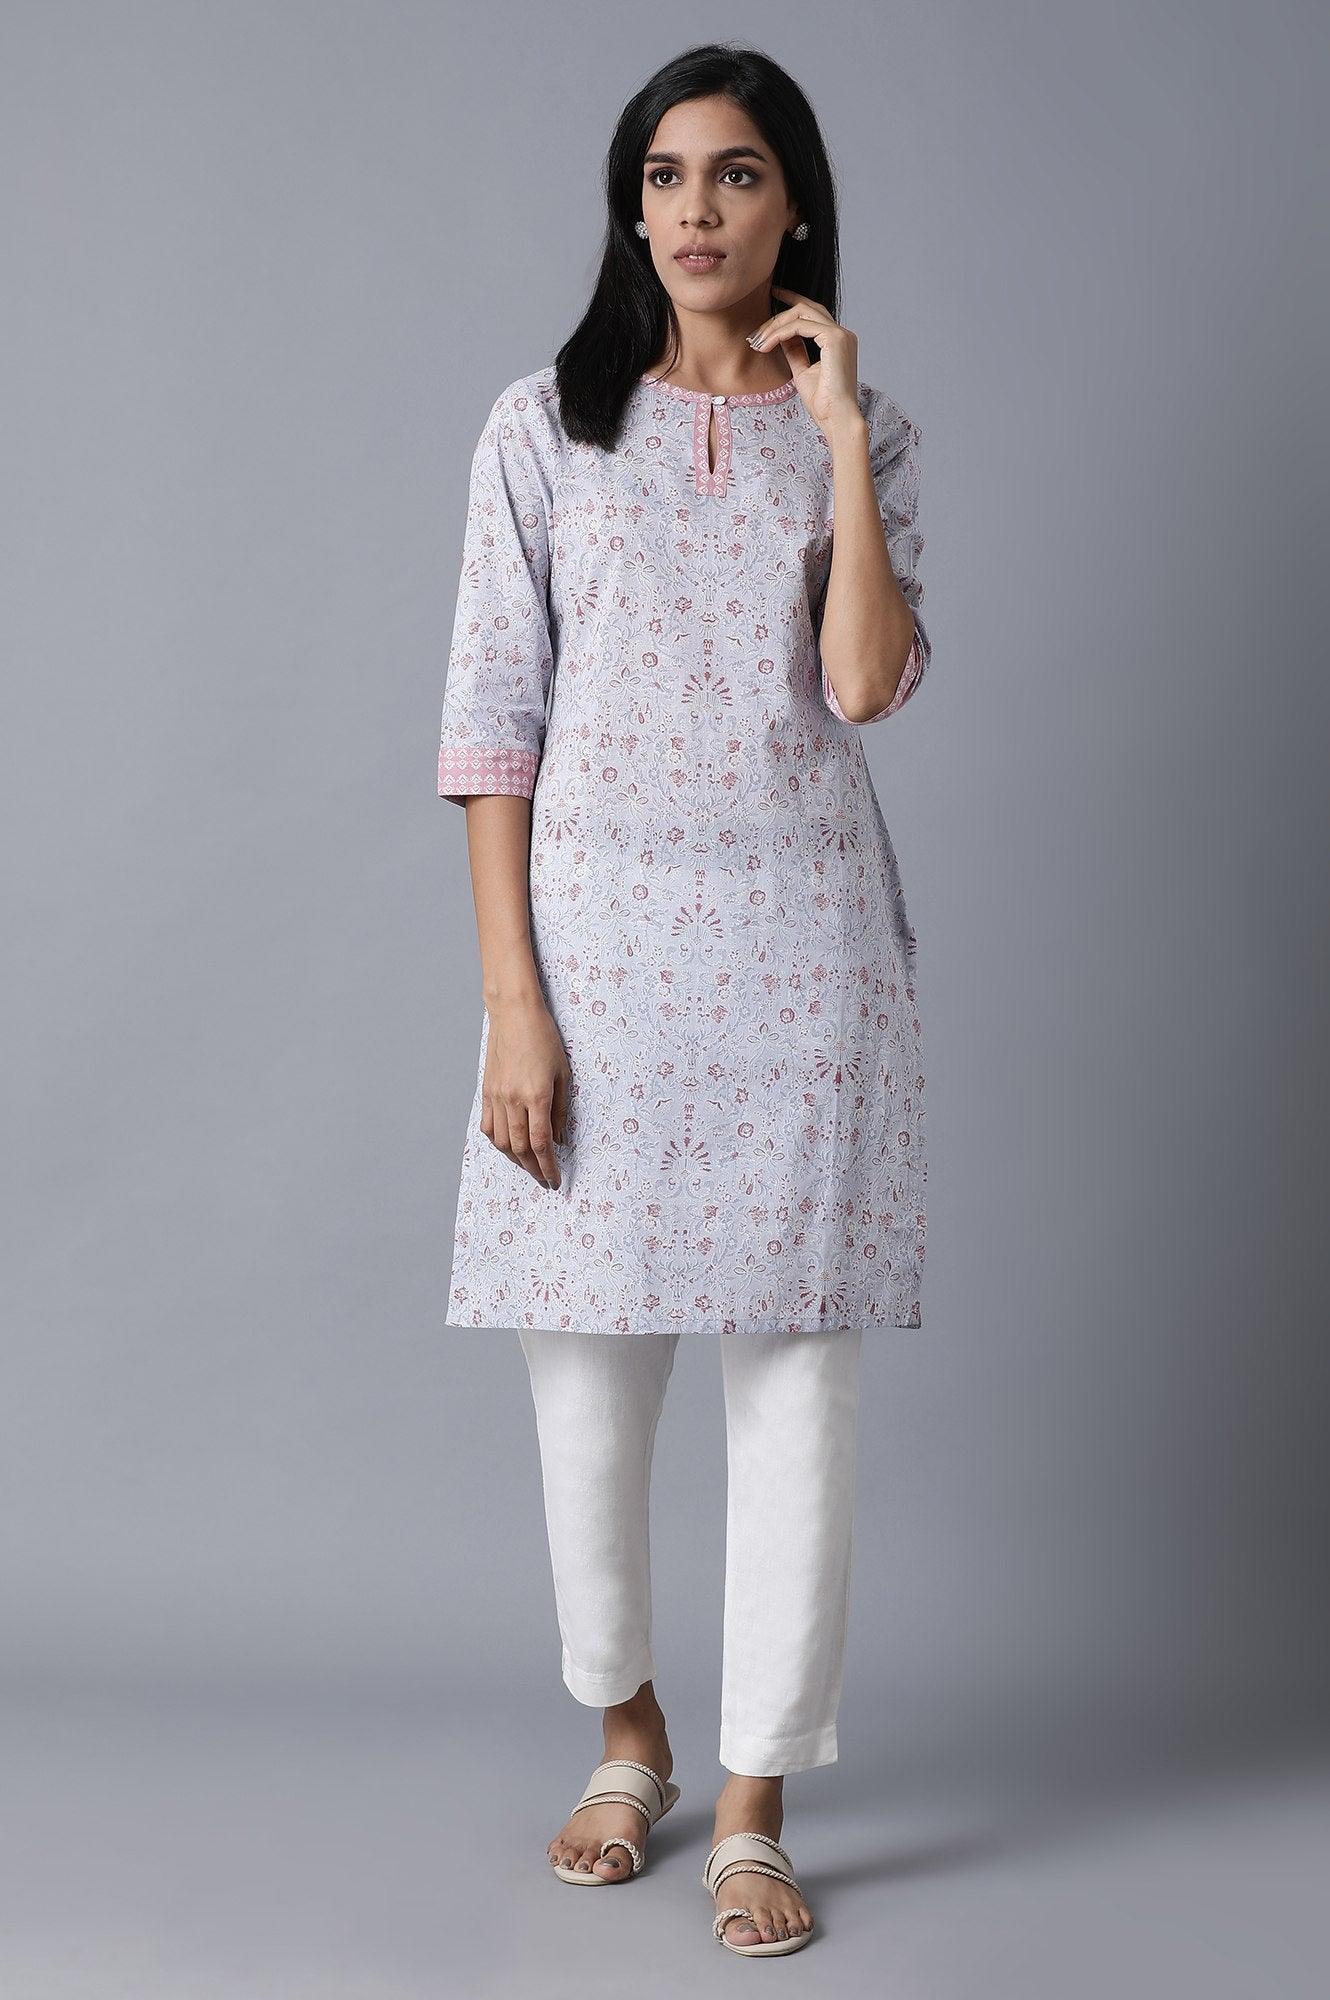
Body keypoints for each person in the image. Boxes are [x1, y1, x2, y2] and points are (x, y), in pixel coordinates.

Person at [435, 43, 932, 1959]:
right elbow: (492, 724)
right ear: (629, 207)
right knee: (585, 1381)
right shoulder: (540, 427)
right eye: (663, 174)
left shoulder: (862, 432)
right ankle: (626, 1735)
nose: (695, 208)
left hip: (804, 959)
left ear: (792, 204)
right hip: (593, 962)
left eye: (734, 174)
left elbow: (867, 685)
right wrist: (513, 1001)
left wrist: (838, 438)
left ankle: (753, 1800)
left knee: (797, 1387)